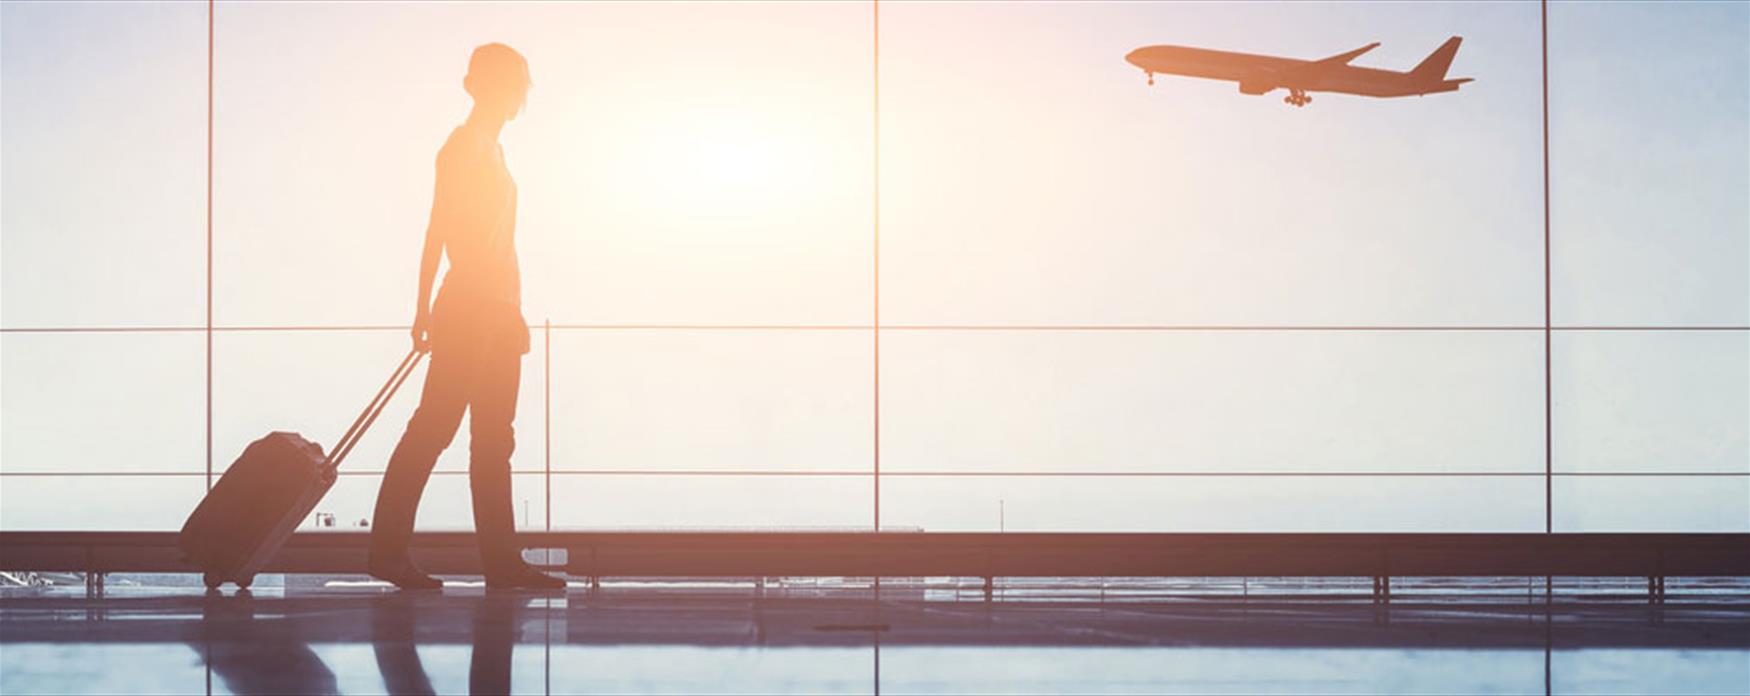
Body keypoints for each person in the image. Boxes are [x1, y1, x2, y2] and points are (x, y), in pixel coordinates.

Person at [368, 43, 563, 591]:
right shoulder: (462, 147)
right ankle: (387, 552)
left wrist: (513, 308)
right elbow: (439, 229)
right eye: (512, 83)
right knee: (435, 429)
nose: (517, 95)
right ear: (483, 86)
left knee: (493, 439)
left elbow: (503, 244)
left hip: (497, 310)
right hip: (470, 308)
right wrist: (422, 306)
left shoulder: (495, 153)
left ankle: (501, 561)